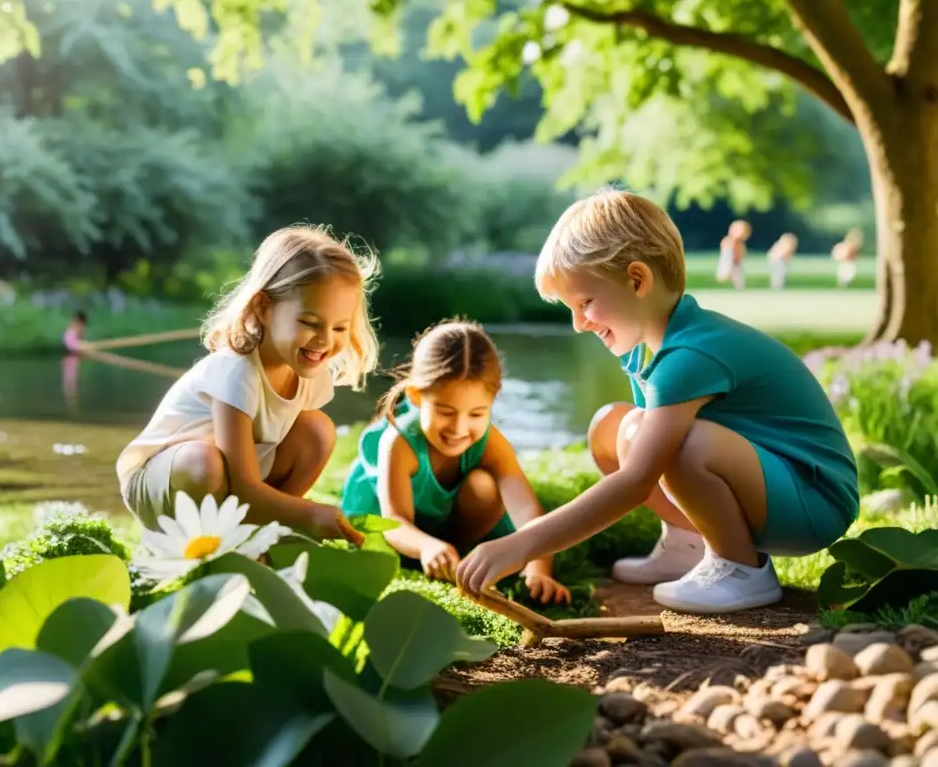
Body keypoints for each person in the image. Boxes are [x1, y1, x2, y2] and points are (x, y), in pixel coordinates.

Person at [455, 189, 859, 614]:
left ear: (637, 280)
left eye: (585, 303)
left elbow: (636, 481)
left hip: (813, 501)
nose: (578, 324)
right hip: (778, 489)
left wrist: (521, 544)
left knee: (684, 444)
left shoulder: (689, 355)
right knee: (614, 425)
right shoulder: (648, 347)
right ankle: (690, 543)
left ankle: (740, 568)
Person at [115, 224, 379, 543]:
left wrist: (295, 510)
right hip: (161, 482)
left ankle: (261, 533)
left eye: (340, 328)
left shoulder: (309, 370)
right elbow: (243, 486)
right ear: (263, 308)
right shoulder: (237, 372)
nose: (325, 340)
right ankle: (207, 542)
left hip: (226, 484)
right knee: (205, 463)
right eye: (310, 323)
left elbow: (287, 453)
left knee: (317, 431)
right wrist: (307, 513)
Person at [340, 320, 571, 605]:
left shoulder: (491, 442)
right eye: (446, 411)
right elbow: (394, 522)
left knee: (484, 486)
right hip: (401, 535)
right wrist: (425, 546)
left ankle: (458, 558)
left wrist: (537, 570)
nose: (459, 428)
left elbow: (525, 508)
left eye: (476, 414)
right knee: (380, 541)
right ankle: (436, 556)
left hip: (453, 530)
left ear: (495, 395)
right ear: (416, 395)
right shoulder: (399, 442)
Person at [716, 220, 751, 290]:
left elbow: (741, 254)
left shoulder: (740, 244)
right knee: (726, 275)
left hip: (736, 264)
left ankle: (738, 288)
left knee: (739, 281)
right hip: (728, 263)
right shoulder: (728, 241)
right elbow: (727, 256)